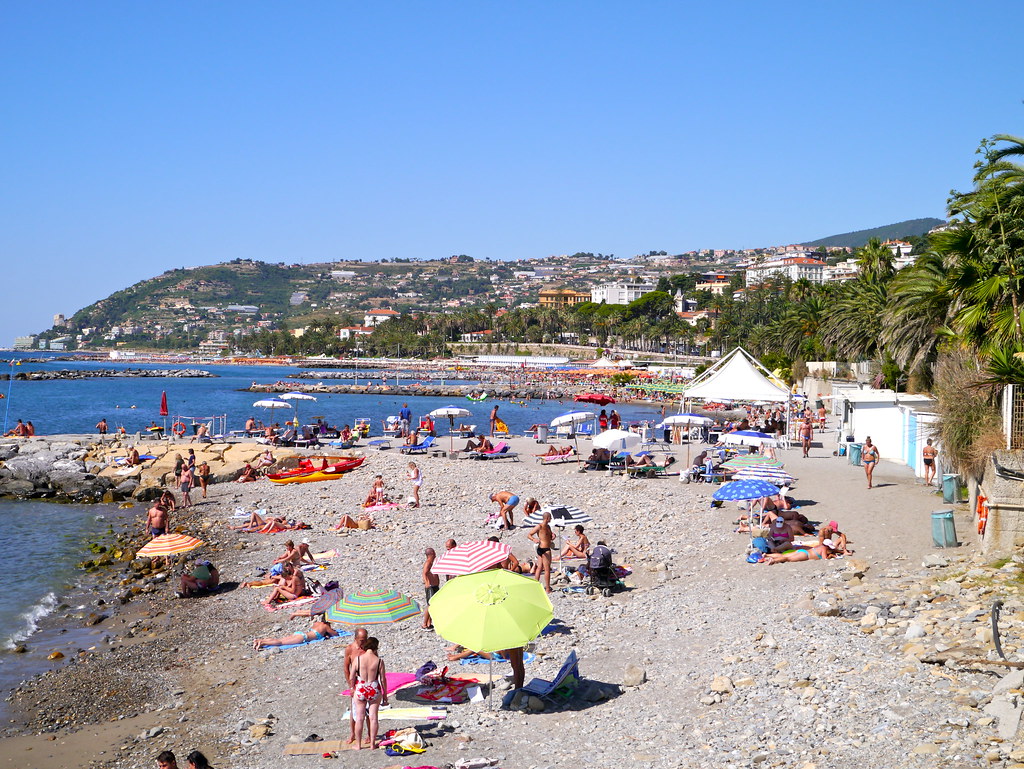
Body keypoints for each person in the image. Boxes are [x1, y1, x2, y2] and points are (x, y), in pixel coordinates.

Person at [350, 636, 388, 750]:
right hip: (374, 687)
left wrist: (352, 688)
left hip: (361, 687)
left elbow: (352, 677)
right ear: (376, 647)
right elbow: (383, 679)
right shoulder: (379, 661)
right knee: (373, 717)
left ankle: (358, 745)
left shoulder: (357, 659)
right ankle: (372, 744)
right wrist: (385, 695)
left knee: (360, 717)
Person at [253, 615, 338, 650]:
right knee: (281, 642)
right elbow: (335, 634)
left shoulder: (316, 623)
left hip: (300, 633)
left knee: (279, 639)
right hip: (302, 638)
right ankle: (262, 643)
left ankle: (260, 640)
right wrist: (330, 631)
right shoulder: (325, 626)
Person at [344, 628, 369, 745]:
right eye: (361, 641)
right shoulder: (350, 649)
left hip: (368, 680)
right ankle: (352, 734)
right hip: (356, 681)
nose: (364, 643)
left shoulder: (369, 648)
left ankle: (369, 734)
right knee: (354, 710)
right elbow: (346, 668)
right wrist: (351, 686)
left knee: (369, 710)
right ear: (355, 639)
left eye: (365, 640)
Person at [527, 511, 554, 593]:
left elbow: (549, 536)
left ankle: (535, 585)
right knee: (546, 569)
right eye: (550, 518)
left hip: (544, 548)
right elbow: (529, 534)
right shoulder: (539, 526)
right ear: (547, 518)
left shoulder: (548, 527)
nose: (551, 519)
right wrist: (534, 539)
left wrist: (553, 536)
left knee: (540, 567)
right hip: (544, 549)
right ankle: (548, 588)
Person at [763, 540, 838, 565]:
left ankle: (767, 555)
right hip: (805, 555)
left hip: (803, 551)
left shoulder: (819, 546)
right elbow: (824, 558)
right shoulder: (824, 548)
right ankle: (773, 560)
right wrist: (831, 555)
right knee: (787, 558)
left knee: (784, 555)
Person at [422, 547, 440, 629]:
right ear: (431, 554)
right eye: (434, 553)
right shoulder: (428, 563)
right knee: (430, 605)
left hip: (434, 586)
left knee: (434, 604)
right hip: (431, 587)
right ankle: (424, 624)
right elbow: (424, 573)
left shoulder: (432, 562)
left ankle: (429, 623)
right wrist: (427, 583)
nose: (435, 554)